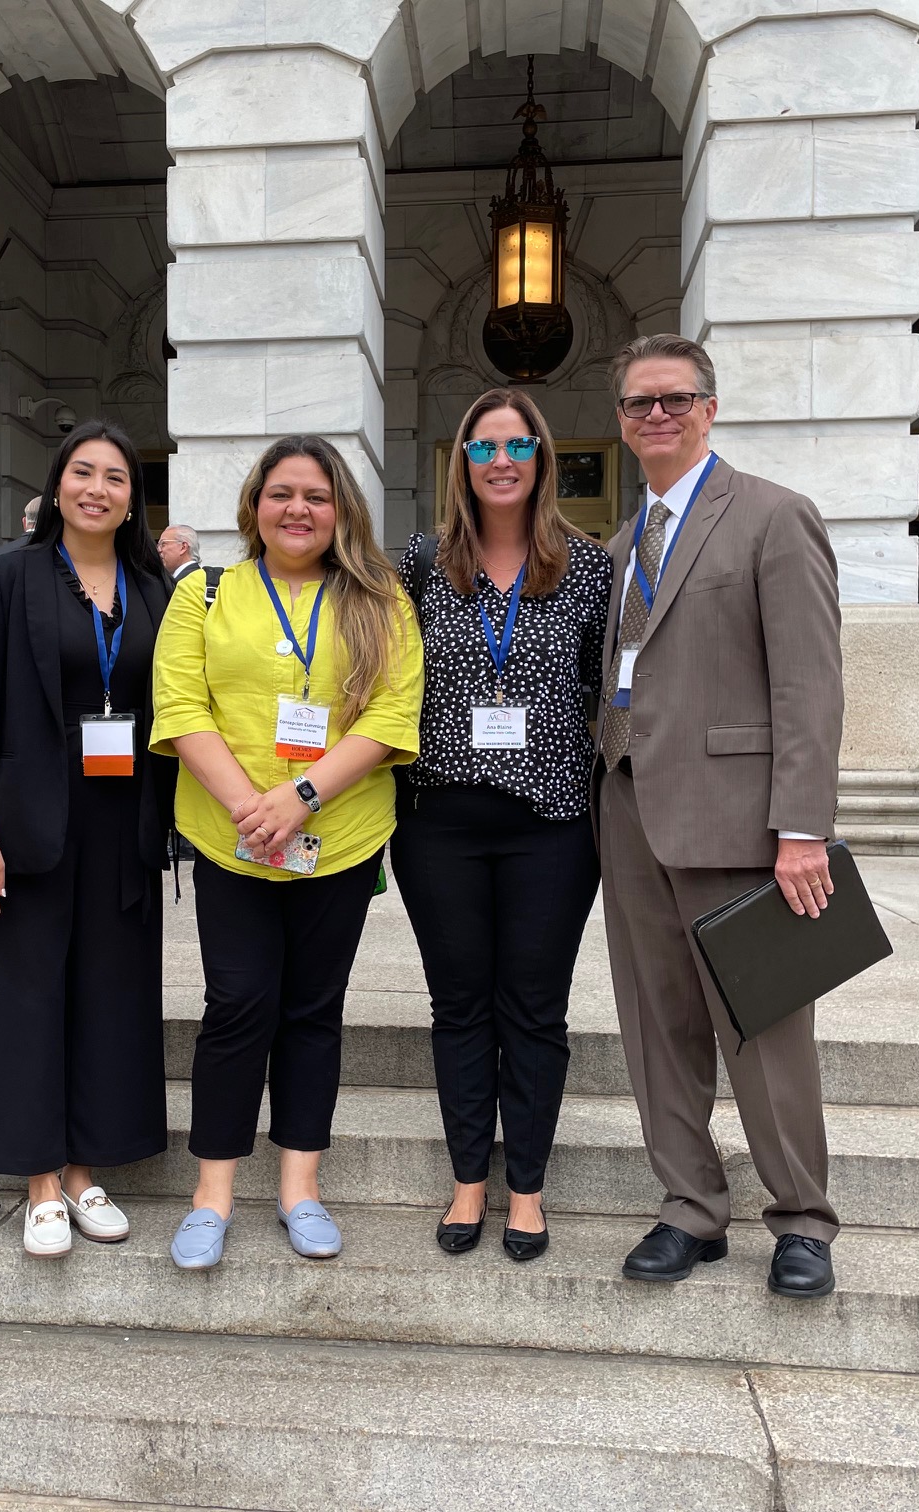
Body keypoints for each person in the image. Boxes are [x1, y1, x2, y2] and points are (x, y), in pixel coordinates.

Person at [595, 333, 844, 1300]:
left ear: (709, 409)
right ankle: (690, 1208)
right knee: (658, 1025)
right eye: (638, 404)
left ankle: (803, 1221)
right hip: (627, 812)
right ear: (620, 423)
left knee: (767, 1025)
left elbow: (810, 685)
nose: (656, 415)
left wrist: (802, 826)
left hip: (742, 822)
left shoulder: (775, 518)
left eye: (675, 399)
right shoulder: (618, 545)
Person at [151, 434, 422, 1270]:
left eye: (315, 495)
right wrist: (248, 808)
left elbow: (391, 712)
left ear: (341, 508)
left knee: (313, 1008)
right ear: (254, 508)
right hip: (232, 840)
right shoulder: (205, 591)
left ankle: (301, 1187)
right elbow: (179, 701)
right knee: (237, 1005)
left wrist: (299, 798)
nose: (297, 509)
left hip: (336, 838)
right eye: (281, 494)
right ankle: (213, 1194)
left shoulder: (380, 599)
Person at [393, 389, 611, 1263]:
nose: (502, 461)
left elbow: (624, 691)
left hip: (551, 824)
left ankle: (527, 1187)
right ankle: (466, 1183)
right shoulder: (418, 565)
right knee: (458, 1007)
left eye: (518, 446)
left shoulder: (590, 569)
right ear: (463, 463)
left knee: (533, 1008)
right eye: (484, 448)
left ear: (543, 460)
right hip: (439, 822)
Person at [0, 421, 174, 1258]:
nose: (97, 489)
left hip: (124, 822)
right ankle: (40, 1176)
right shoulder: (10, 577)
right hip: (26, 819)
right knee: (25, 992)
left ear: (132, 498)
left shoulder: (153, 588)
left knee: (110, 993)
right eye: (82, 473)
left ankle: (85, 1168)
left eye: (115, 477)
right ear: (57, 487)